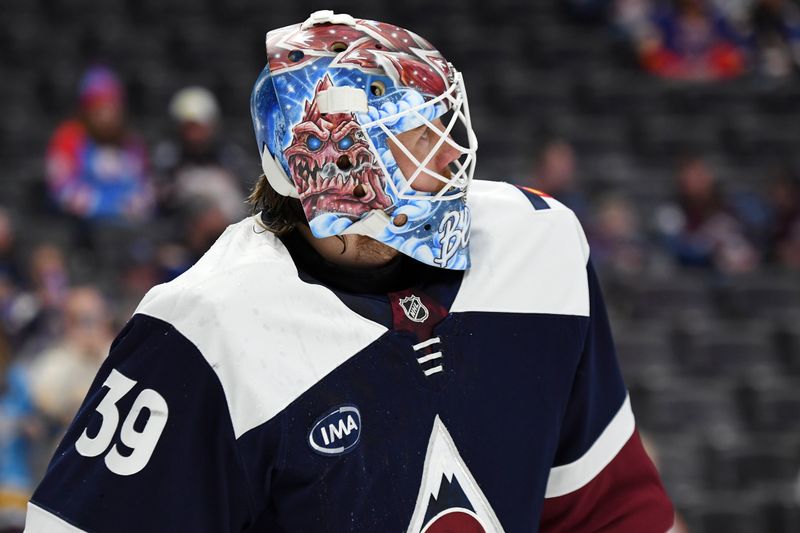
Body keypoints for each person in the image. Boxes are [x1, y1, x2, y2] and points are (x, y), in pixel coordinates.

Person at [25, 11, 674, 532]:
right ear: (337, 170)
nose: (450, 154)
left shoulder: (541, 242)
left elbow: (611, 510)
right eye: (419, 135)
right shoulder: (202, 331)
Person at [45, 66, 154, 225]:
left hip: (127, 228)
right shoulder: (67, 137)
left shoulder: (132, 142)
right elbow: (61, 189)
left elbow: (144, 188)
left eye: (112, 107)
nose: (107, 116)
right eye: (99, 108)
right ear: (86, 110)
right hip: (79, 227)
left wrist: (131, 205)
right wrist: (110, 206)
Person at [152, 86, 248, 223]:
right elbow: (161, 200)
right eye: (188, 128)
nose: (193, 135)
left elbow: (242, 200)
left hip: (225, 227)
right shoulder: (168, 156)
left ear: (212, 126)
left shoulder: (229, 156)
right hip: (179, 228)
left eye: (198, 127)